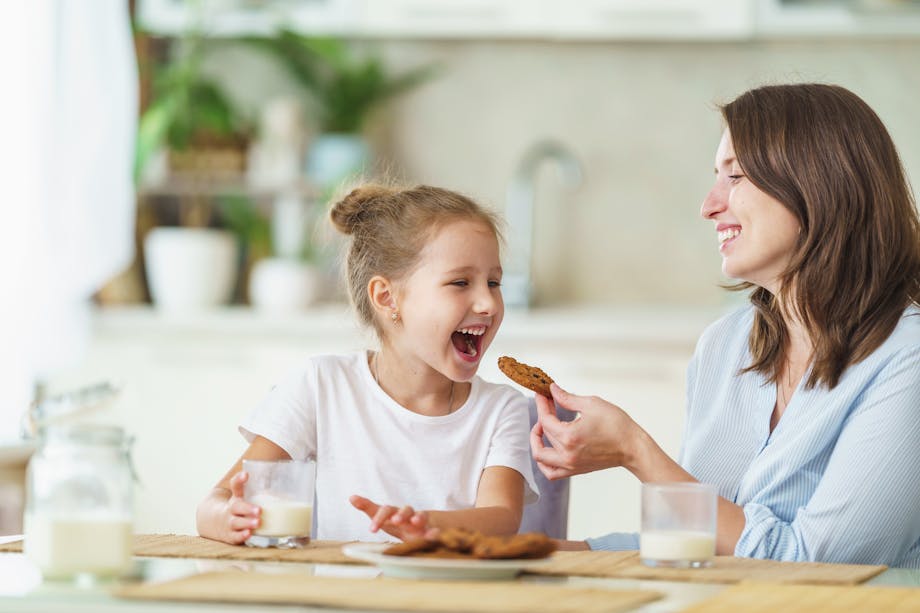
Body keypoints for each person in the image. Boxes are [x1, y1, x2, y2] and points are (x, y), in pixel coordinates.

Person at [531, 83, 920, 567]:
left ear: (819, 184)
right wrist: (542, 553)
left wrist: (636, 452)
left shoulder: (907, 357)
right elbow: (693, 545)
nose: (709, 205)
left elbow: (820, 566)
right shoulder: (726, 347)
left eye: (735, 177)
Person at [197, 184, 538, 545]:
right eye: (460, 282)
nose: (488, 303)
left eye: (494, 282)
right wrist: (227, 517)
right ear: (386, 297)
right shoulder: (322, 386)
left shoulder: (502, 408)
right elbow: (212, 504)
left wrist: (426, 524)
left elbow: (502, 517)